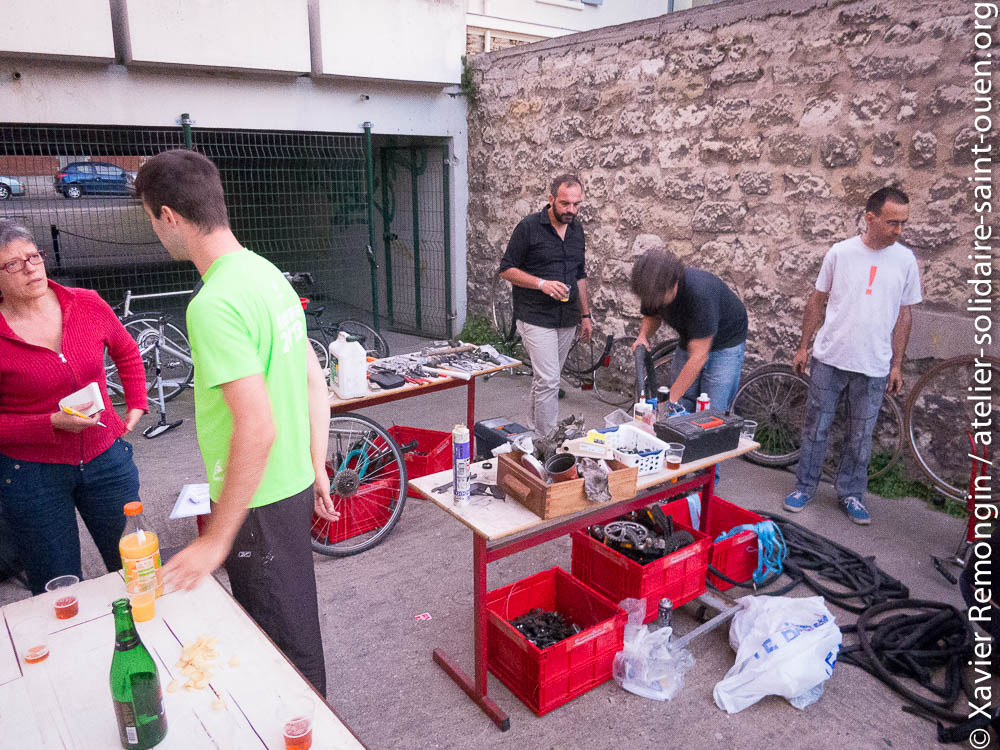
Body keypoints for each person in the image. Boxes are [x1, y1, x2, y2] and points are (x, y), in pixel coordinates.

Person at [135, 150, 336, 694]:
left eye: (153, 220)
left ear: (170, 216)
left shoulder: (214, 303)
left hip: (258, 501)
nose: (156, 233)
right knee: (294, 623)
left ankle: (300, 730)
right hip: (289, 483)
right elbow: (314, 379)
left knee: (282, 646)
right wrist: (316, 464)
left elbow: (257, 427)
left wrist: (216, 538)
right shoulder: (265, 272)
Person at [0, 219, 147, 594]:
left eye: (33, 256)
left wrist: (137, 401)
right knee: (57, 585)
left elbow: (126, 350)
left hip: (106, 457)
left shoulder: (85, 303)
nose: (31, 268)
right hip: (33, 473)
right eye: (13, 264)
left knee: (136, 566)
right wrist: (49, 422)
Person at [784, 186, 921, 525]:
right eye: (892, 223)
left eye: (903, 223)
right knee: (817, 428)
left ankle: (851, 494)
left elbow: (904, 314)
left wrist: (896, 364)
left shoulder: (905, 260)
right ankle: (804, 486)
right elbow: (817, 300)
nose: (899, 231)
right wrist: (804, 346)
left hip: (874, 365)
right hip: (830, 359)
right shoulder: (840, 253)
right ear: (870, 218)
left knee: (861, 437)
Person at [499, 174, 593, 436]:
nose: (571, 210)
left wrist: (585, 315)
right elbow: (506, 270)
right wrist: (542, 284)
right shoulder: (528, 228)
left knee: (545, 380)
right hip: (534, 316)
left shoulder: (577, 230)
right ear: (551, 199)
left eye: (576, 204)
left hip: (566, 317)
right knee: (550, 380)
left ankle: (532, 430)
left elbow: (580, 274)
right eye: (565, 204)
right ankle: (547, 440)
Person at [630, 249, 748, 414]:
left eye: (659, 300)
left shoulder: (699, 294)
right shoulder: (653, 289)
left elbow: (699, 357)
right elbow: (652, 316)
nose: (655, 303)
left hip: (726, 341)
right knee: (682, 402)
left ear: (674, 284)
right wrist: (643, 336)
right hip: (691, 335)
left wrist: (668, 403)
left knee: (711, 411)